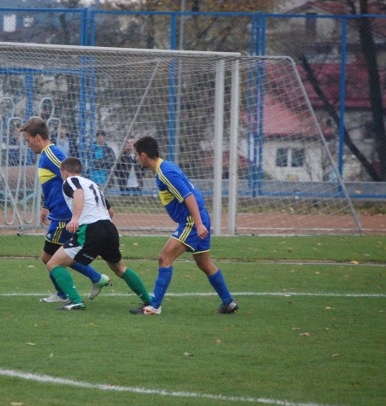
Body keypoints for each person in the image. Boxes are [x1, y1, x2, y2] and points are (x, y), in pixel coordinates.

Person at [130, 136, 239, 315]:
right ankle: (228, 302)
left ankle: (154, 306)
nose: (135, 158)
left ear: (143, 155)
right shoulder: (165, 169)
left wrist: (198, 224)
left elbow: (188, 196)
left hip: (192, 220)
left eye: (136, 155)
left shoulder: (166, 173)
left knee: (164, 257)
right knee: (204, 263)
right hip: (198, 218)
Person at [20, 118, 110, 303]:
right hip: (57, 213)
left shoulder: (52, 155)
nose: (27, 145)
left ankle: (68, 292)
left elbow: (76, 181)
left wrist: (102, 204)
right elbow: (54, 184)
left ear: (37, 137)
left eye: (28, 140)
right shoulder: (46, 156)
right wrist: (46, 206)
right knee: (60, 256)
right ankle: (92, 280)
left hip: (63, 217)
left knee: (49, 258)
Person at [45, 156, 153, 310]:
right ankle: (149, 302)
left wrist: (75, 219)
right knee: (120, 268)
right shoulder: (93, 184)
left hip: (90, 229)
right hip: (109, 228)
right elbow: (110, 211)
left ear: (65, 172)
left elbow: (78, 194)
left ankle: (75, 301)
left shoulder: (70, 181)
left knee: (53, 263)